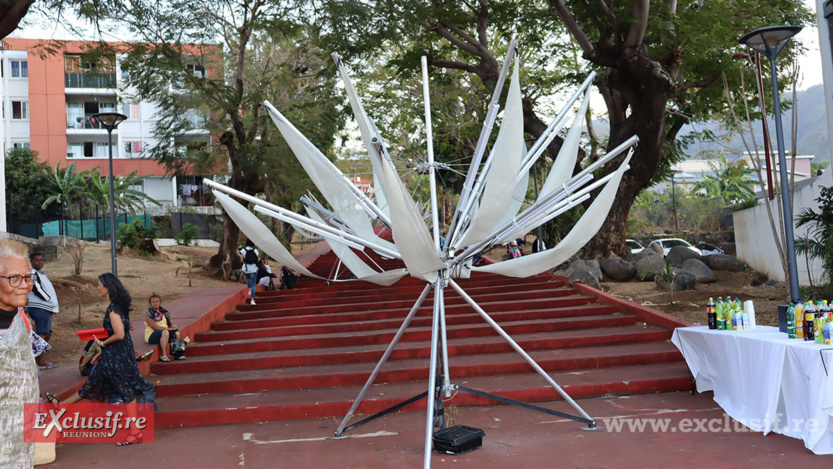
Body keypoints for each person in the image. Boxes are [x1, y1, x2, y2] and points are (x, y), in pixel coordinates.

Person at [45, 273, 156, 447]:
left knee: (125, 391)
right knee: (93, 383)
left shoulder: (113, 309)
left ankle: (135, 432)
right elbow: (121, 334)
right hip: (117, 354)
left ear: (107, 288)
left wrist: (102, 343)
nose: (97, 288)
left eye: (99, 285)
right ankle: (62, 406)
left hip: (117, 357)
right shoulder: (119, 306)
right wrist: (102, 352)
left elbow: (119, 334)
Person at [0, 239, 39, 467]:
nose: (24, 285)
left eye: (27, 277)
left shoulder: (22, 320)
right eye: (14, 278)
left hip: (23, 446)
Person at [28, 252, 59, 369]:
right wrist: (49, 299)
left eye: (41, 260)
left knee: (48, 333)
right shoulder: (31, 272)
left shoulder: (39, 273)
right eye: (37, 260)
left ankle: (38, 357)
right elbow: (36, 288)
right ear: (31, 261)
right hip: (39, 307)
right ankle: (39, 361)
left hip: (45, 307)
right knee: (43, 333)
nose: (40, 262)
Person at [144, 293, 186, 362]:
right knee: (165, 332)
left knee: (177, 333)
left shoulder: (164, 312)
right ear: (150, 304)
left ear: (159, 302)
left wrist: (174, 327)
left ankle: (178, 354)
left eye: (157, 301)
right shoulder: (148, 314)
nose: (155, 303)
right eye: (153, 302)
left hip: (164, 332)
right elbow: (154, 327)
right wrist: (167, 329)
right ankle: (163, 355)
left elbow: (171, 324)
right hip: (152, 335)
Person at [239, 239, 259, 305]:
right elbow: (257, 260)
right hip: (253, 268)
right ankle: (252, 300)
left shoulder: (243, 250)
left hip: (246, 268)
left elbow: (241, 260)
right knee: (253, 284)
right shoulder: (255, 250)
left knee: (248, 278)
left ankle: (249, 289)